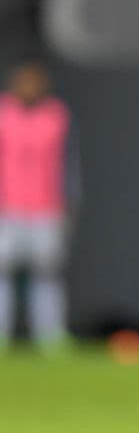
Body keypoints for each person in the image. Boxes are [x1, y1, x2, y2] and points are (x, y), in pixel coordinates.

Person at [0, 61, 76, 351]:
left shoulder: (56, 115)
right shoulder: (3, 113)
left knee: (47, 274)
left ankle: (50, 336)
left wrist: (68, 202)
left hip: (46, 208)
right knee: (3, 274)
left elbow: (68, 163)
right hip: (7, 208)